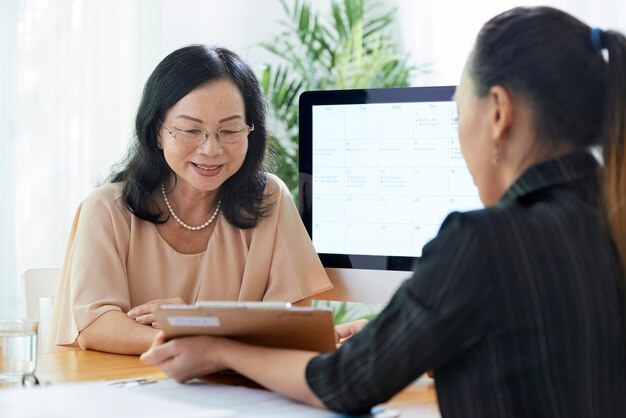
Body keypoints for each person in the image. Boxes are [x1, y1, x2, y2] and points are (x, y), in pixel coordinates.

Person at [141, 7, 626, 417]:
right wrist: (415, 334)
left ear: (497, 112)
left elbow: (344, 384)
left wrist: (218, 349)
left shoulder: (483, 241)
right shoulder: (610, 222)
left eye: (458, 113)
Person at [47, 45, 332, 355]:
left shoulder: (269, 198)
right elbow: (95, 326)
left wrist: (199, 327)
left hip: (232, 391)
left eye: (230, 129)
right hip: (125, 390)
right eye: (191, 130)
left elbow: (294, 316)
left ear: (251, 131)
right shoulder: (106, 209)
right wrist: (197, 340)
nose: (211, 149)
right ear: (157, 131)